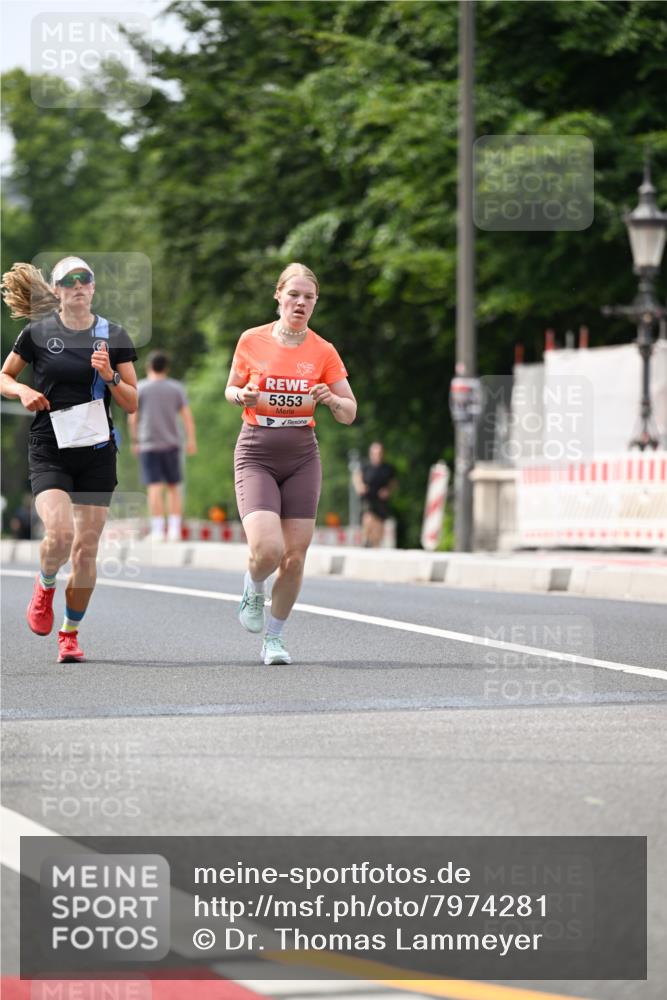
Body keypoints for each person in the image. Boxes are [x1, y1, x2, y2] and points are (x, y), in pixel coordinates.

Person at [0, 257, 138, 663]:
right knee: (59, 535)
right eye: (69, 280)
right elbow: (4, 376)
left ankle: (69, 633)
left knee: (85, 549)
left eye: (85, 279)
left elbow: (132, 401)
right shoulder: (38, 333)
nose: (78, 285)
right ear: (57, 290)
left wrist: (110, 376)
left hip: (96, 453)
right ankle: (45, 586)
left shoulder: (113, 335)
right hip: (50, 448)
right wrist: (23, 392)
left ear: (93, 287)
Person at [225, 262, 356, 665]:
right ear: (278, 295)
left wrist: (332, 400)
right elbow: (231, 388)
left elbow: (350, 411)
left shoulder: (323, 350)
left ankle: (275, 639)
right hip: (257, 451)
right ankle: (253, 586)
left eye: (308, 297)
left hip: (301, 455)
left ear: (315, 303)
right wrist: (242, 396)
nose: (300, 303)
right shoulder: (252, 339)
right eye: (294, 295)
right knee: (268, 550)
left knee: (295, 557)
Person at [128, 350, 197, 542]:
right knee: (174, 487)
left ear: (148, 366)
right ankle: (174, 530)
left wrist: (134, 441)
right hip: (172, 443)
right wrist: (191, 440)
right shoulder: (176, 388)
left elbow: (133, 418)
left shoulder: (140, 388)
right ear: (166, 368)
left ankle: (158, 530)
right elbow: (187, 417)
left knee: (154, 488)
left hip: (148, 444)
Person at [353, 441, 397, 547]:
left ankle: (375, 545)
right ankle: (365, 540)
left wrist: (388, 490)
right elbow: (356, 477)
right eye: (375, 453)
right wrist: (360, 486)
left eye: (380, 453)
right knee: (368, 518)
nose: (377, 455)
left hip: (381, 501)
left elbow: (394, 483)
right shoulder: (365, 467)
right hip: (368, 498)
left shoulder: (388, 469)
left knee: (378, 525)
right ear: (371, 454)